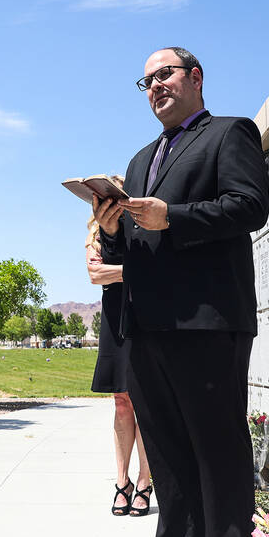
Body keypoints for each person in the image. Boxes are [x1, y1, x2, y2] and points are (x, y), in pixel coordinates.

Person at [93, 47, 268, 537]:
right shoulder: (141, 158)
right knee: (165, 443)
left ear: (195, 77)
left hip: (208, 319)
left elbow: (249, 208)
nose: (154, 87)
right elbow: (136, 244)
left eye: (163, 74)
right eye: (145, 80)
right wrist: (112, 227)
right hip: (145, 322)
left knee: (216, 442)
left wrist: (175, 216)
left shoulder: (229, 133)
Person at [86, 217, 152, 517]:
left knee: (146, 402)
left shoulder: (142, 231)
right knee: (121, 401)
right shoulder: (95, 235)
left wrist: (117, 273)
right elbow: (95, 274)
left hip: (146, 313)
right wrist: (134, 271)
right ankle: (122, 481)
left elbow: (157, 270)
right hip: (114, 318)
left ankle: (145, 481)